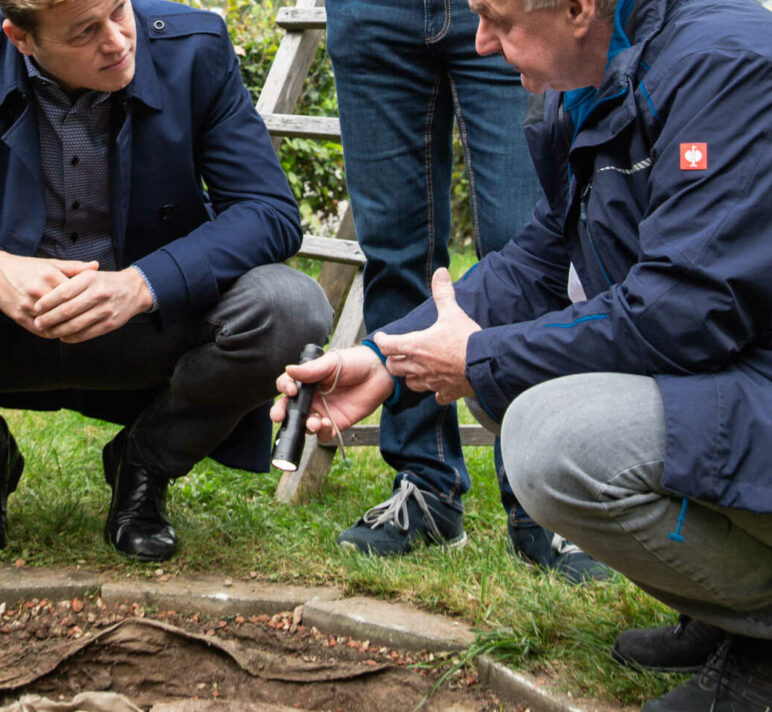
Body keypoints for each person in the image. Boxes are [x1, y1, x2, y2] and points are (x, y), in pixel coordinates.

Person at [273, 0, 772, 708]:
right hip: (745, 378)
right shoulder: (600, 77)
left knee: (553, 440)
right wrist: (385, 358)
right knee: (509, 381)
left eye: (500, 21)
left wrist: (480, 357)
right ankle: (725, 615)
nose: (479, 45)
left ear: (577, 8)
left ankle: (764, 640)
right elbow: (539, 259)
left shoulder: (727, 68)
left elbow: (685, 311)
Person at [0, 0, 332, 564]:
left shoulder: (197, 46)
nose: (117, 41)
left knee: (292, 306)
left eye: (120, 10)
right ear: (21, 38)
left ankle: (143, 466)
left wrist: (142, 284)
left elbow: (269, 210)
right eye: (86, 32)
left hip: (147, 326)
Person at [325, 0, 608, 583]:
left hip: (503, 4)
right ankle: (425, 486)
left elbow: (537, 256)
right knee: (393, 248)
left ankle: (542, 500)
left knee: (524, 235)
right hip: (370, 11)